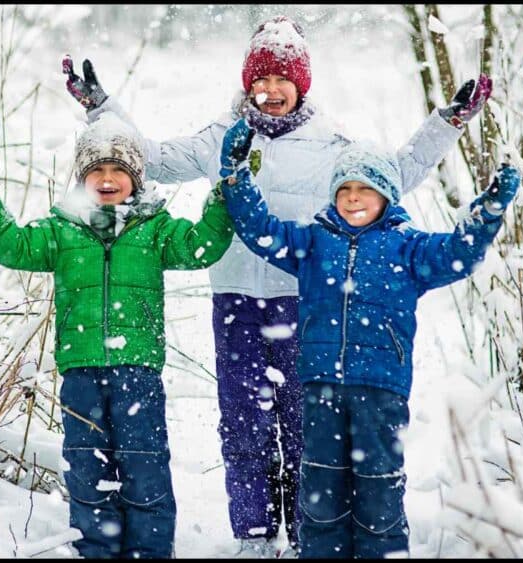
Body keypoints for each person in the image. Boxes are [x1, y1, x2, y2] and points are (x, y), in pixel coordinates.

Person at [63, 15, 492, 557]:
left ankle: (310, 534)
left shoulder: (332, 143)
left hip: (303, 305)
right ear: (247, 84)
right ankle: (254, 535)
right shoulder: (223, 136)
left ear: (300, 85)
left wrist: (448, 122)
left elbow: (396, 172)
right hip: (236, 300)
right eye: (259, 81)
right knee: (243, 424)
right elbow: (152, 158)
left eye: (280, 80)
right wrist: (101, 106)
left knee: (305, 426)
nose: (269, 91)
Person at [0, 114, 235, 559]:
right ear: (82, 178)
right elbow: (13, 246)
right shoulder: (62, 230)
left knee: (144, 464)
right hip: (81, 367)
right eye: (97, 171)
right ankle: (96, 549)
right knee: (87, 466)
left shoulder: (157, 229)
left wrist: (225, 197)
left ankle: (150, 551)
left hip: (138, 368)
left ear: (136, 178)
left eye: (118, 171)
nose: (107, 180)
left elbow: (202, 246)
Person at [217, 117, 521, 558]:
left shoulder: (408, 248)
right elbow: (260, 230)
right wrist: (236, 174)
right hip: (321, 387)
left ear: (386, 196)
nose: (353, 198)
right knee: (320, 493)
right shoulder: (314, 242)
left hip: (381, 390)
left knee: (378, 492)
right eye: (345, 190)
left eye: (365, 189)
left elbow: (459, 252)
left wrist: (487, 213)